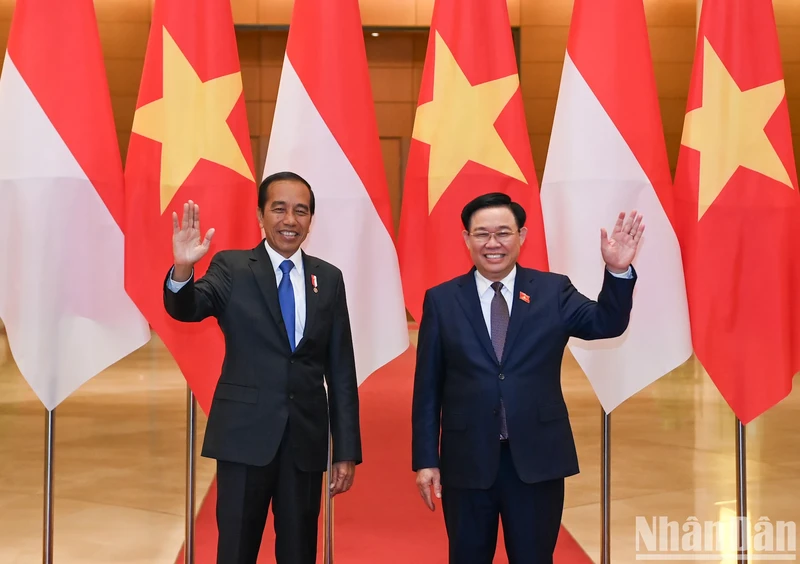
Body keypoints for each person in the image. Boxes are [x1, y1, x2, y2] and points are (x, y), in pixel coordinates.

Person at [411, 192, 643, 563]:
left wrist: (617, 272)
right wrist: (426, 459)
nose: (493, 244)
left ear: (522, 235)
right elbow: (427, 388)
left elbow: (607, 323)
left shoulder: (553, 291)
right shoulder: (442, 300)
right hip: (467, 461)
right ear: (466, 239)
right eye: (481, 233)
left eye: (503, 232)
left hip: (537, 460)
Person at [163, 171, 361, 564]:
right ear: (260, 215)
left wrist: (346, 450)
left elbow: (341, 371)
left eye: (301, 211)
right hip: (244, 438)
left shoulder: (329, 278)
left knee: (299, 550)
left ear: (310, 220)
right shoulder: (232, 268)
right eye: (280, 209)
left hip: (305, 440)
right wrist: (183, 270)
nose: (290, 220)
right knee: (236, 550)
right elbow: (187, 308)